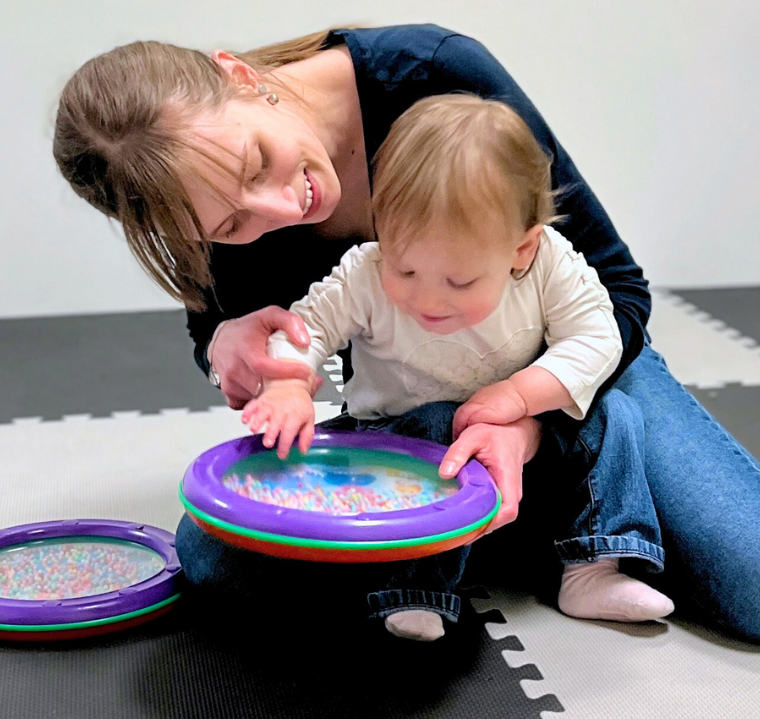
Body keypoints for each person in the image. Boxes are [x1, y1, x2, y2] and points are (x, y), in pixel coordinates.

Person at [53, 24, 760, 643]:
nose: (281, 207)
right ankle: (526, 531)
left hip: (567, 379)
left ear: (238, 75)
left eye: (260, 163)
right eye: (232, 227)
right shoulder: (201, 200)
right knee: (215, 564)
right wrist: (226, 348)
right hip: (416, 414)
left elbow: (618, 299)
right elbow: (283, 348)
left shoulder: (437, 83)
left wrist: (525, 411)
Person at [240, 95, 672, 640]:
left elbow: (597, 337)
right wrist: (287, 384)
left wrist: (519, 397)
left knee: (615, 414)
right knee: (432, 423)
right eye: (407, 268)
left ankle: (594, 566)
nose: (428, 299)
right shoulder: (366, 272)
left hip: (523, 453)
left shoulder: (548, 265)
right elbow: (306, 327)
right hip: (402, 450)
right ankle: (417, 590)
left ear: (521, 248)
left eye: (459, 282)